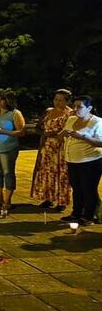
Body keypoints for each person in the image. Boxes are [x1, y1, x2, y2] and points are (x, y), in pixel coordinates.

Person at [60, 95, 102, 225]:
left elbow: (100, 142)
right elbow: (61, 135)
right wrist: (62, 134)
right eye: (74, 106)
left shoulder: (97, 122)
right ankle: (76, 213)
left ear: (89, 108)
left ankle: (88, 216)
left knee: (88, 188)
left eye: (79, 106)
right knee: (76, 188)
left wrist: (83, 136)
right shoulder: (71, 119)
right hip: (72, 160)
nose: (76, 109)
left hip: (90, 160)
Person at [30, 89, 73, 210]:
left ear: (67, 101)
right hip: (47, 147)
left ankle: (61, 201)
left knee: (61, 173)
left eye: (61, 100)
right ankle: (48, 198)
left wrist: (56, 134)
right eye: (56, 99)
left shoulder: (70, 114)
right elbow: (38, 127)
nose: (57, 102)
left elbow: (71, 130)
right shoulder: (49, 111)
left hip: (61, 147)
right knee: (47, 172)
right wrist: (45, 134)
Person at [0, 89, 25, 212]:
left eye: (1, 99)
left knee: (8, 172)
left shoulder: (15, 114)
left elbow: (21, 132)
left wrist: (2, 131)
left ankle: (8, 200)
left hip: (7, 147)